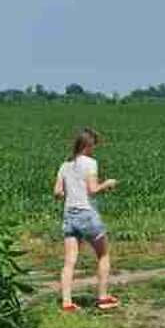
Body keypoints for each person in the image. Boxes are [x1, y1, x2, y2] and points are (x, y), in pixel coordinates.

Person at [54, 127, 119, 312]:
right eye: (94, 145)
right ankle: (103, 297)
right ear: (88, 145)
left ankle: (66, 302)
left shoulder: (65, 165)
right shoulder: (90, 163)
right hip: (87, 214)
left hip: (69, 215)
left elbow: (57, 192)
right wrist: (107, 184)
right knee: (103, 254)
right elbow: (93, 189)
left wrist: (72, 191)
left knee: (69, 261)